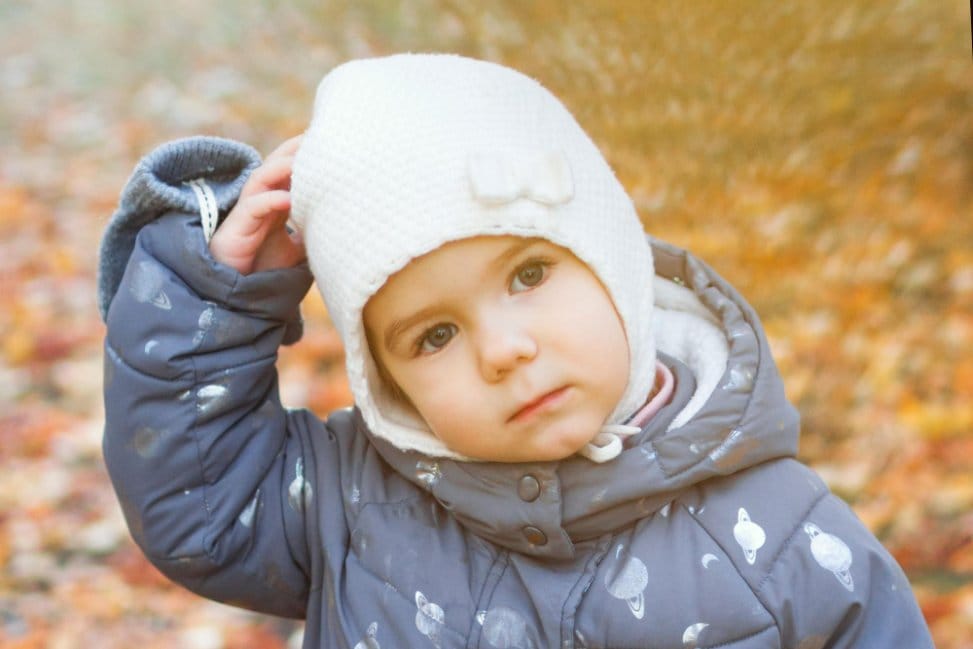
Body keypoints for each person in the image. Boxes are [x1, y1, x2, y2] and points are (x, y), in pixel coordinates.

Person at [97, 54, 933, 648]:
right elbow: (199, 502)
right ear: (388, 381)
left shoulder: (784, 541)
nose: (502, 349)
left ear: (610, 259)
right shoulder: (353, 504)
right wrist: (212, 293)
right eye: (433, 335)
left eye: (528, 272)